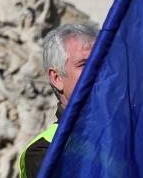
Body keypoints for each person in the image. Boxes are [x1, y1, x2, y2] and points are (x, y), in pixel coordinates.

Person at [17, 22, 98, 178]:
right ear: (56, 78)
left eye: (101, 62)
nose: (97, 71)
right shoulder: (44, 151)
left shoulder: (127, 129)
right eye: (84, 65)